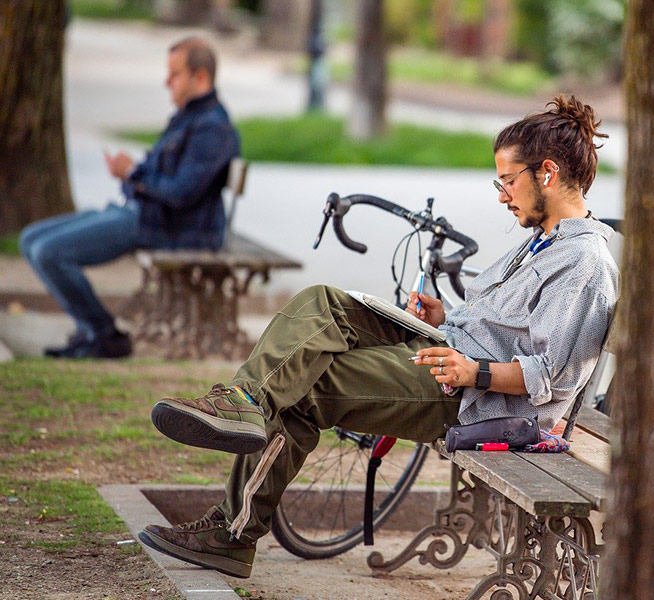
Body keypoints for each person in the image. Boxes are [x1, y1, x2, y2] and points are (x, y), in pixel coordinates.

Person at [139, 95, 619, 579]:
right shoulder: (545, 240)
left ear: (548, 173)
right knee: (322, 301)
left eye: (508, 180)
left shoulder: (584, 262)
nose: (501, 194)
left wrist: (476, 371)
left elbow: (552, 378)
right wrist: (446, 316)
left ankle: (230, 535)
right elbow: (508, 328)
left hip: (476, 399)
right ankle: (243, 402)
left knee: (309, 387)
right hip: (448, 349)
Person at [19, 37, 240, 359]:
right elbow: (161, 179)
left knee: (48, 252)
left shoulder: (213, 129)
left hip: (171, 228)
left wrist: (133, 174)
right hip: (143, 214)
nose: (167, 82)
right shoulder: (188, 118)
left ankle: (103, 334)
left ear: (201, 77)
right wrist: (131, 174)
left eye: (174, 74)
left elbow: (181, 194)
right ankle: (91, 330)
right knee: (29, 239)